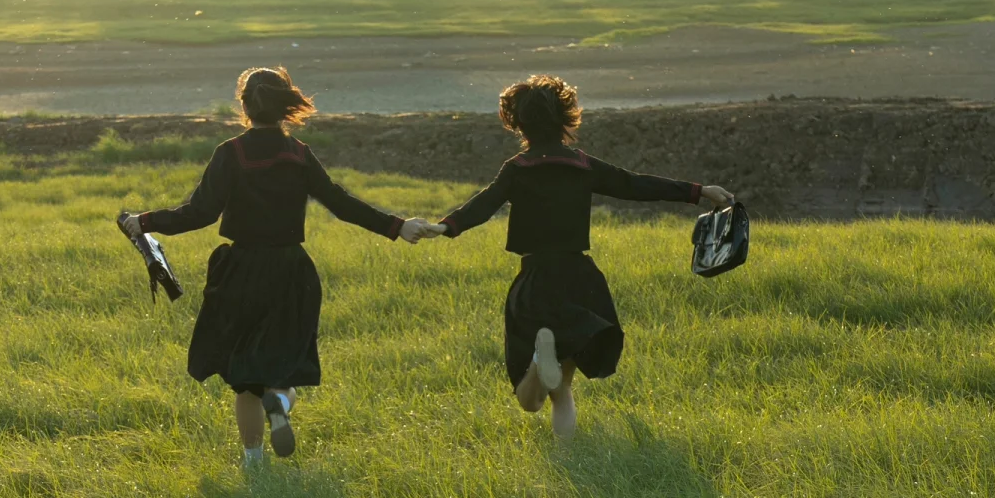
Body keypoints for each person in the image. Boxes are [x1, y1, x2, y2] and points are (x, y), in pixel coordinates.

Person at [119, 65, 429, 468]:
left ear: (244, 106)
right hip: (291, 273)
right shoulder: (299, 154)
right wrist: (398, 226)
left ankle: (253, 464)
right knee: (283, 366)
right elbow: (340, 202)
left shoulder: (230, 153)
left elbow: (199, 214)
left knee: (244, 380)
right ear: (286, 105)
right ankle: (280, 401)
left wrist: (144, 221)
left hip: (240, 273)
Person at [414, 74, 733, 439]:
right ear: (566, 117)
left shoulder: (517, 169)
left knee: (529, 400)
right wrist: (699, 191)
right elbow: (637, 185)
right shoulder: (583, 166)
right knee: (562, 388)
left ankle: (537, 360)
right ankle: (570, 451)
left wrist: (446, 226)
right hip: (581, 280)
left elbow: (483, 205)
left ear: (517, 122)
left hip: (536, 281)